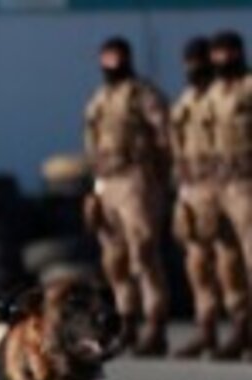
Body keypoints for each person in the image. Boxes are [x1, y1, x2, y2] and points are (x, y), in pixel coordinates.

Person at [84, 36, 173, 356]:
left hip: (136, 180)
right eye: (106, 57)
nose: (111, 63)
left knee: (143, 253)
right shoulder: (99, 98)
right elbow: (92, 143)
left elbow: (166, 138)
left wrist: (159, 181)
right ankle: (127, 322)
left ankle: (155, 323)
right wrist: (95, 187)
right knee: (114, 258)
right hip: (106, 181)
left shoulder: (143, 94)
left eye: (116, 56)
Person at [171, 37, 249, 359]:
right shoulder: (198, 99)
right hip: (204, 186)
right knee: (206, 260)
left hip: (242, 182)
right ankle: (213, 327)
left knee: (240, 257)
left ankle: (240, 327)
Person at [207, 30, 252, 360]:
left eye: (227, 52)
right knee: (227, 260)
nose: (221, 59)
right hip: (217, 186)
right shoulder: (213, 94)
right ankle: (240, 325)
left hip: (247, 183)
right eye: (217, 53)